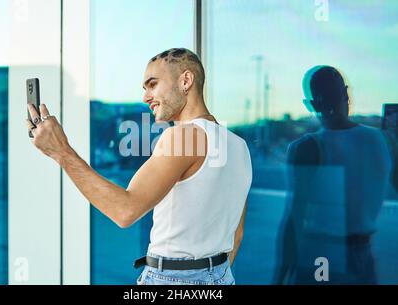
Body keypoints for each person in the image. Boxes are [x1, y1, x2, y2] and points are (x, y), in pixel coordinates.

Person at [26, 48, 252, 285]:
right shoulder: (239, 146)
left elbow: (125, 210)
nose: (146, 97)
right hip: (222, 276)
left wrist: (62, 152)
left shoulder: (183, 137)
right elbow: (237, 235)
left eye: (152, 84)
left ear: (186, 80)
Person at [275, 65, 394, 284]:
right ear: (346, 94)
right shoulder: (381, 140)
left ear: (313, 104)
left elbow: (296, 217)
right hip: (364, 253)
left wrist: (280, 274)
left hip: (323, 253)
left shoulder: (307, 147)